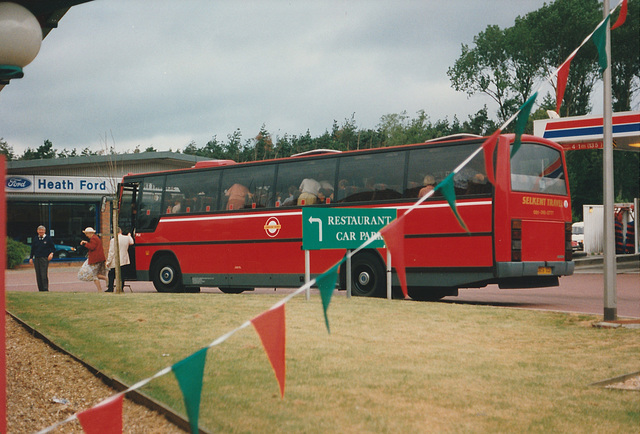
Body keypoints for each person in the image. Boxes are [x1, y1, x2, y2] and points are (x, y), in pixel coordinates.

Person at [105, 227, 135, 292]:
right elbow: (132, 242)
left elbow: (111, 252)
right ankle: (121, 288)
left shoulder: (113, 240)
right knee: (122, 275)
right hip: (124, 259)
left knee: (111, 274)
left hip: (115, 261)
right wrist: (129, 235)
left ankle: (110, 288)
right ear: (120, 231)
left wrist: (108, 262)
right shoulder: (126, 238)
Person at [78, 227, 107, 292]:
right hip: (99, 259)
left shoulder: (93, 239)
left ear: (90, 233)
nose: (86, 235)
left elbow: (92, 247)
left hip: (95, 259)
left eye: (86, 233)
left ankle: (100, 290)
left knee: (93, 275)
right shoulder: (95, 238)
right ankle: (106, 279)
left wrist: (85, 244)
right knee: (96, 274)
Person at [29, 225, 55, 292]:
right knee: (38, 274)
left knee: (43, 273)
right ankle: (40, 289)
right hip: (37, 258)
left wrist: (51, 254)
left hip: (44, 258)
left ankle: (45, 289)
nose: (41, 231)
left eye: (42, 230)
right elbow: (33, 249)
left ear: (44, 231)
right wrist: (31, 257)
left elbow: (53, 248)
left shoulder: (48, 238)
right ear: (37, 231)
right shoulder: (35, 239)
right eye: (40, 230)